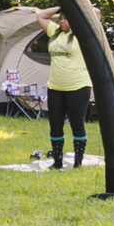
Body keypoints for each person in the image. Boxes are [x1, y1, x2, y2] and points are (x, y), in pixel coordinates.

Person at [38, 9, 91, 169]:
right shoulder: (54, 31)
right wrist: (60, 6)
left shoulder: (81, 34)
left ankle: (78, 163)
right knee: (55, 125)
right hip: (55, 87)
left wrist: (73, 4)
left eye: (66, 19)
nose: (62, 22)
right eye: (60, 19)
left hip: (78, 86)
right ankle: (57, 162)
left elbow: (95, 13)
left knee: (77, 124)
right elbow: (40, 15)